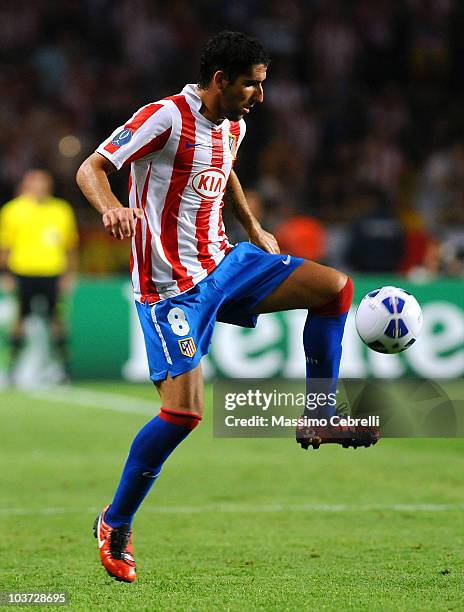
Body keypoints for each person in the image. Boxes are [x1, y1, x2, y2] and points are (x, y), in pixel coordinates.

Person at [76, 31, 378, 584]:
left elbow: (226, 169)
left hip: (226, 263)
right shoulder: (164, 117)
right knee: (183, 415)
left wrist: (253, 225)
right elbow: (91, 168)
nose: (261, 96)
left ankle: (319, 414)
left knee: (334, 287)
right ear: (220, 80)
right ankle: (114, 521)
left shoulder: (234, 123)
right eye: (252, 85)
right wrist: (111, 206)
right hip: (170, 288)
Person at [0, 169, 78, 382]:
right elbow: (5, 246)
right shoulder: (12, 210)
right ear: (26, 185)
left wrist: (69, 275)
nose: (40, 187)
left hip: (52, 271)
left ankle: (64, 370)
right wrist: (5, 273)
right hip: (23, 271)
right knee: (20, 320)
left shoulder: (61, 210)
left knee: (57, 321)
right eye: (36, 183)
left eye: (44, 183)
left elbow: (70, 246)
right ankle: (12, 368)